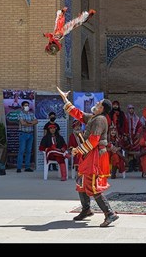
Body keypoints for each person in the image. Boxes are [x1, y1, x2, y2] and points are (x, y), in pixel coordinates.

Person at [58, 87, 119, 227]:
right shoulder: (94, 117)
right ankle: (86, 209)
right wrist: (65, 99)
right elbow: (78, 114)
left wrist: (77, 150)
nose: (96, 104)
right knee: (81, 182)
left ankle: (110, 214)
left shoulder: (100, 120)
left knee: (92, 184)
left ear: (102, 108)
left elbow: (93, 140)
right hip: (89, 154)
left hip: (96, 155)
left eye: (99, 104)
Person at [16, 101, 38, 173]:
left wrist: (28, 122)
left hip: (30, 134)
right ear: (22, 107)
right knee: (21, 151)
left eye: (28, 105)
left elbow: (36, 121)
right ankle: (19, 167)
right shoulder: (20, 114)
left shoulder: (31, 114)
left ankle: (27, 167)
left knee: (28, 151)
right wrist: (31, 123)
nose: (27, 107)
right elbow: (22, 123)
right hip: (23, 134)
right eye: (25, 105)